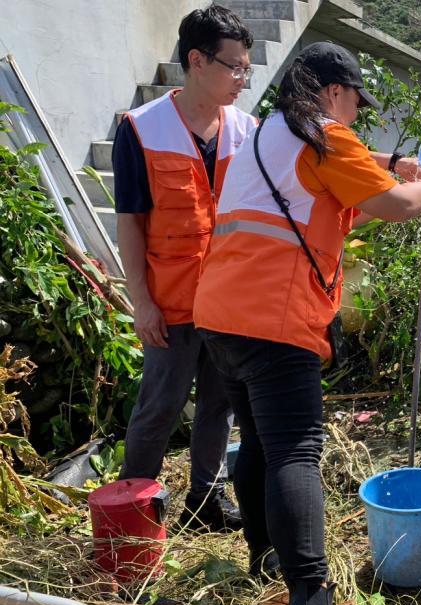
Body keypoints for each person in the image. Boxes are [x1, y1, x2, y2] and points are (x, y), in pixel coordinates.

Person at [193, 41, 421, 605]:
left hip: (220, 316)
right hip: (272, 321)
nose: (356, 115)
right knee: (296, 452)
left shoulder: (263, 137)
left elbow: (329, 211)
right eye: (355, 102)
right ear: (333, 91)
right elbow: (395, 206)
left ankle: (265, 554)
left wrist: (390, 168)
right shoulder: (326, 135)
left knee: (257, 443)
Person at [113, 4, 257, 532]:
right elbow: (130, 222)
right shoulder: (142, 130)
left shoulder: (248, 129)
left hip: (228, 302)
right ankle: (132, 509)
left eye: (246, 67)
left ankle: (206, 502)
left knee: (219, 406)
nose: (243, 78)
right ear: (197, 61)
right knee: (159, 408)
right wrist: (141, 301)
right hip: (169, 303)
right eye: (234, 66)